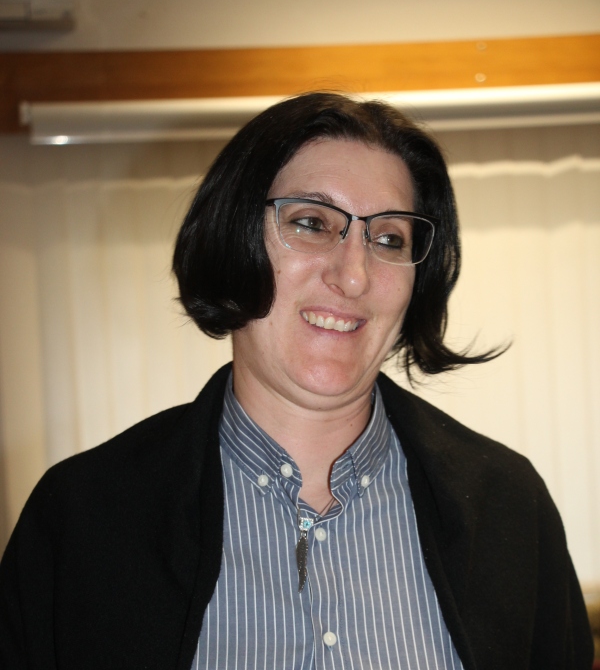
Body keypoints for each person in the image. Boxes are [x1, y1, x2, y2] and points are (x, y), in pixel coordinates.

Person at [0, 93, 593, 669]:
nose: (354, 276)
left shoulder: (508, 510)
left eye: (389, 238)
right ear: (233, 239)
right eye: (311, 223)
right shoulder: (82, 518)